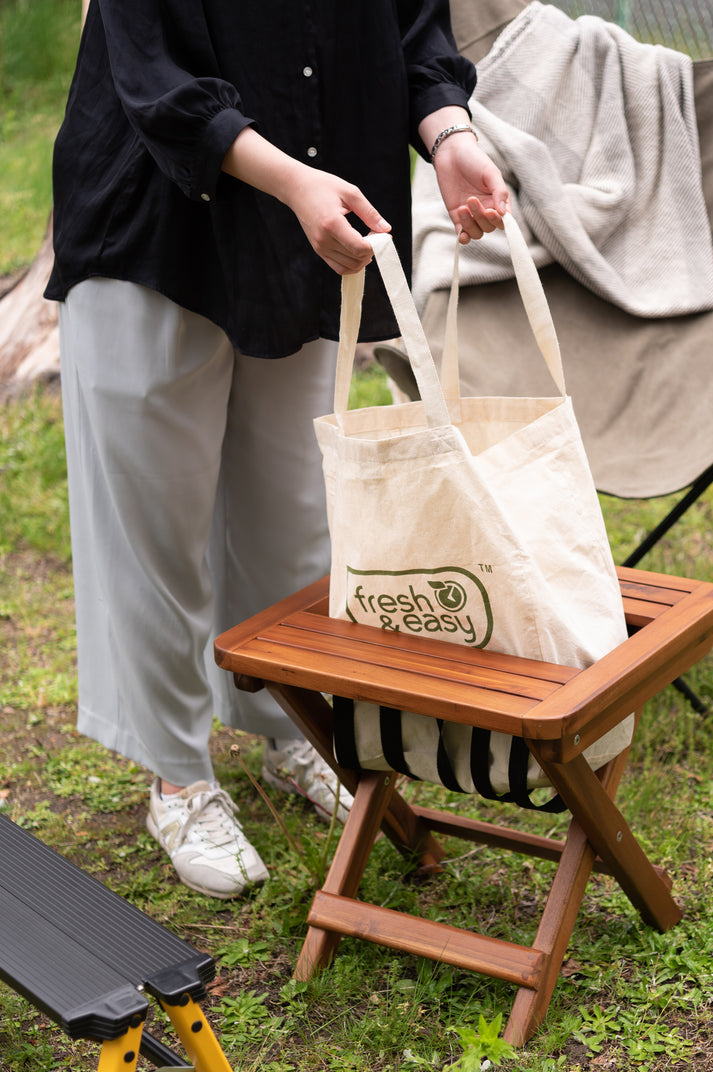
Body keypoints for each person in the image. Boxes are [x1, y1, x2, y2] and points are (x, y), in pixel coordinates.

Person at [46, 1, 508, 899]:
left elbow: (412, 29)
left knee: (293, 507)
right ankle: (178, 776)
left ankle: (289, 727)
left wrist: (448, 131)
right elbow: (154, 72)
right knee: (156, 517)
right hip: (156, 218)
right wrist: (292, 181)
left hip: (314, 213)